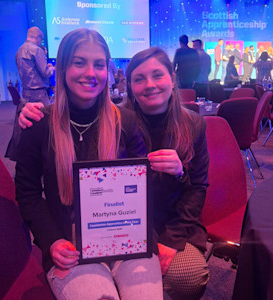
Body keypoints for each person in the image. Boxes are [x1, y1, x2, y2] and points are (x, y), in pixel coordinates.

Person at [19, 46, 210, 299]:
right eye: (139, 79)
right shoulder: (123, 119)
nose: (150, 85)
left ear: (172, 78)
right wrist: (52, 239)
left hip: (147, 229)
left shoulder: (190, 124)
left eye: (158, 75)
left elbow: (195, 186)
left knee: (186, 277)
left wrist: (179, 174)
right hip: (96, 233)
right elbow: (29, 192)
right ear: (128, 85)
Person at [15, 28, 163, 300]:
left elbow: (143, 188)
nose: (90, 73)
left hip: (126, 239)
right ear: (61, 68)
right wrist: (51, 241)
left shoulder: (125, 121)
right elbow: (28, 193)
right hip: (69, 243)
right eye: (79, 62)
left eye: (98, 65)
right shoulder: (39, 125)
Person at [16, 26, 55, 106]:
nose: (41, 42)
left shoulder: (19, 51)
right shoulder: (37, 50)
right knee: (47, 116)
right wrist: (51, 68)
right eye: (41, 39)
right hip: (38, 93)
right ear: (37, 37)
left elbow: (30, 69)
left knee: (31, 116)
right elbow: (46, 73)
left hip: (26, 92)